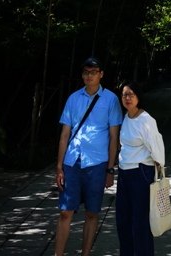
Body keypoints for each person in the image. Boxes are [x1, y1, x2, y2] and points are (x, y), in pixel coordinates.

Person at [55, 56, 123, 256]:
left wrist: (110, 169)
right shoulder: (73, 98)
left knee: (92, 213)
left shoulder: (111, 99)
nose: (89, 76)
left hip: (97, 163)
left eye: (93, 72)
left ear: (101, 74)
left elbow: (114, 136)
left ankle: (85, 254)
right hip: (72, 161)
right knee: (65, 211)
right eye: (86, 72)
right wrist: (59, 166)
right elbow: (64, 134)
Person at [116, 80, 165, 256]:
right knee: (123, 221)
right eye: (124, 95)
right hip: (124, 173)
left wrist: (158, 167)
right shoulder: (126, 117)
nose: (127, 98)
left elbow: (157, 147)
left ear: (138, 97)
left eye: (131, 94)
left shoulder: (146, 120)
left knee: (140, 222)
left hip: (141, 173)